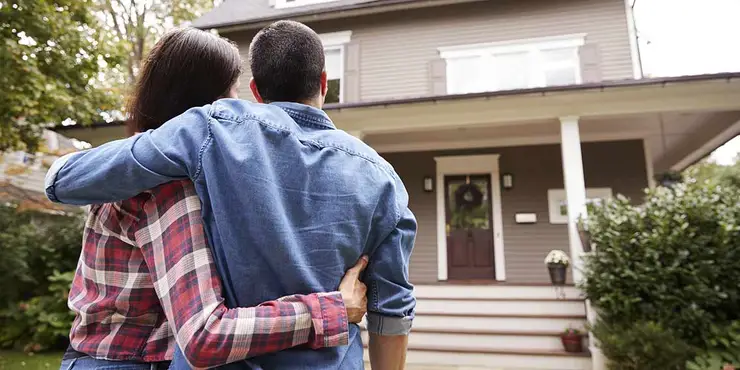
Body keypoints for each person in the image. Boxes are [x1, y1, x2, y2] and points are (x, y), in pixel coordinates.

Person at [46, 20, 416, 370]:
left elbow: (63, 182)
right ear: (324, 81)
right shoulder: (383, 178)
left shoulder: (210, 133)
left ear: (255, 90)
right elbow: (393, 309)